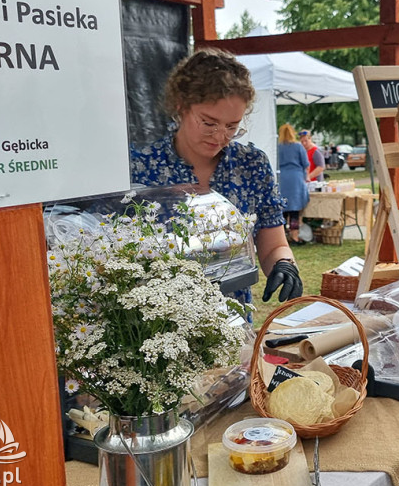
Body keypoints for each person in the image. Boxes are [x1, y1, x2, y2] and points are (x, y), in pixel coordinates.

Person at [130, 48, 303, 304]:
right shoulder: (141, 167)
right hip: (159, 323)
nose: (220, 136)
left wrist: (284, 264)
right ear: (181, 106)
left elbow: (272, 243)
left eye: (232, 126)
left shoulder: (251, 165)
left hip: (232, 321)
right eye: (209, 123)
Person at [277, 123, 310, 245]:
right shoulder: (298, 146)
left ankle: (282, 237)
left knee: (282, 209)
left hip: (281, 179)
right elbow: (306, 164)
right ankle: (295, 237)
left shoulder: (277, 147)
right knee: (294, 210)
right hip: (295, 179)